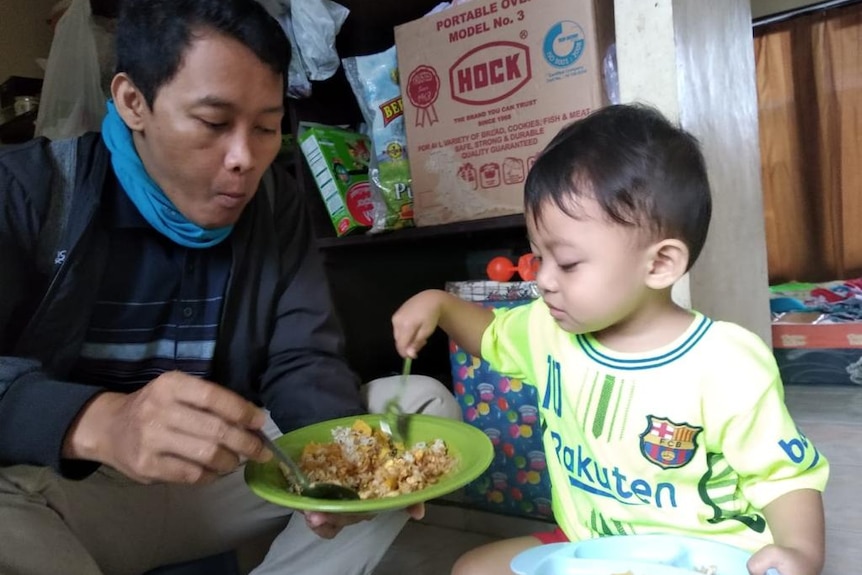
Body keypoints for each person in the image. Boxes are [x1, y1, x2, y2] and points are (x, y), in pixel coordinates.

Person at [0, 0, 459, 574]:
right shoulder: (27, 191)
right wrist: (94, 420)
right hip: (71, 498)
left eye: (266, 127)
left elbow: (301, 355)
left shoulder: (273, 202)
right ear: (132, 101)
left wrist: (341, 464)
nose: (245, 158)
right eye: (214, 123)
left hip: (219, 480)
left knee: (418, 413)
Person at [392, 105, 829, 575]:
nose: (544, 280)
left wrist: (800, 550)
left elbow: (783, 477)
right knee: (472, 570)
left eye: (567, 262)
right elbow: (490, 336)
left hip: (703, 559)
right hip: (590, 545)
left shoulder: (725, 362)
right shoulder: (547, 328)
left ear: (660, 264)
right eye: (537, 257)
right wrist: (439, 304)